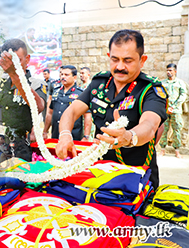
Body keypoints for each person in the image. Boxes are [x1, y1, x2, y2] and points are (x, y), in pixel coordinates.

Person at [55, 29, 168, 189]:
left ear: (142, 60)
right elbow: (72, 111)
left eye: (128, 60)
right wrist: (65, 135)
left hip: (136, 177)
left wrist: (129, 136)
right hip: (99, 173)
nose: (120, 66)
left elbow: (150, 125)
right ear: (109, 57)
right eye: (115, 59)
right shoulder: (99, 83)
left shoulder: (150, 90)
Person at [0, 38, 45, 161]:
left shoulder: (36, 84)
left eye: (18, 61)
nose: (13, 65)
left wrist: (14, 74)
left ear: (27, 59)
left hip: (23, 148)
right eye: (10, 61)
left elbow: (39, 106)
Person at [43, 65, 92, 141]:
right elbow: (50, 113)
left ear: (74, 77)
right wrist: (45, 131)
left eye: (66, 75)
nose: (63, 77)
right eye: (62, 74)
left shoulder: (81, 93)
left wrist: (86, 136)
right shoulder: (56, 91)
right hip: (56, 135)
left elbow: (87, 116)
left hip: (73, 135)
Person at [159, 63, 187, 158]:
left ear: (175, 71)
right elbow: (160, 96)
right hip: (165, 110)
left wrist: (173, 107)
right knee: (164, 130)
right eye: (167, 70)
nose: (168, 72)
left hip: (176, 110)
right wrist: (166, 107)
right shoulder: (163, 83)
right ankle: (162, 150)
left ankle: (177, 151)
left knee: (177, 130)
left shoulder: (180, 83)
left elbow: (183, 95)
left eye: (170, 70)